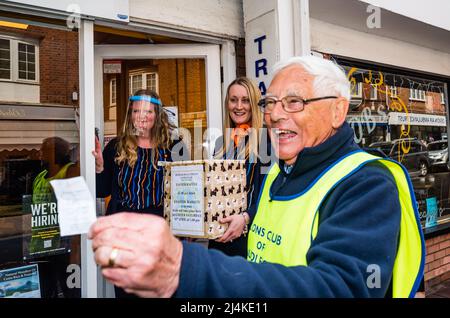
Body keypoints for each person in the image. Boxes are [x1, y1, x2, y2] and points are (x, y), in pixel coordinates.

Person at [89, 56, 425, 298]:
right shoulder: (282, 168)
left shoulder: (367, 182)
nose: (276, 113)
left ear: (338, 110)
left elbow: (339, 288)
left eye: (294, 102)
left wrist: (186, 269)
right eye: (271, 102)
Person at [92, 89, 182, 297]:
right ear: (130, 115)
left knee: (159, 291)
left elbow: (186, 192)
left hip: (160, 234)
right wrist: (98, 167)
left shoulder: (174, 147)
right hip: (123, 236)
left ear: (157, 115)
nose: (142, 117)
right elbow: (102, 190)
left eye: (148, 111)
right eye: (136, 111)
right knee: (126, 292)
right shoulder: (116, 146)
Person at [208, 77, 270, 257]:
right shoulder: (222, 143)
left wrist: (246, 217)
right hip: (219, 234)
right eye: (233, 100)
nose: (239, 106)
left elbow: (269, 192)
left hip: (249, 236)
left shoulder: (266, 141)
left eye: (245, 100)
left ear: (254, 104)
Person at [31, 137, 80, 298]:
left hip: (62, 243)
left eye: (43, 150)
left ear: (55, 152)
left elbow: (76, 212)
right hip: (39, 244)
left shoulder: (69, 171)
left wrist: (75, 250)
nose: (39, 154)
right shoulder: (40, 176)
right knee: (45, 288)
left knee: (69, 289)